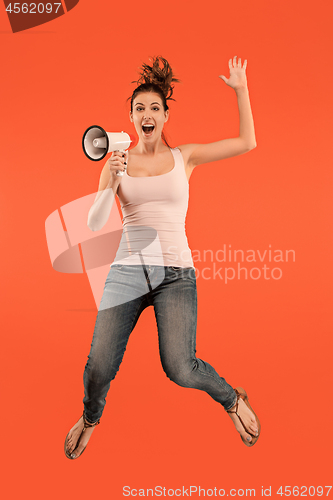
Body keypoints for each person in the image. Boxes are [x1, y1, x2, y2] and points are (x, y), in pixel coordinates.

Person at [64, 55, 260, 459]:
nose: (147, 114)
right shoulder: (116, 162)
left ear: (165, 115)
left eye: (155, 107)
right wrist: (113, 178)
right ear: (131, 119)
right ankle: (90, 417)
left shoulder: (183, 158)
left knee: (179, 367)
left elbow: (247, 143)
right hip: (127, 273)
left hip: (175, 275)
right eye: (140, 108)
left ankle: (231, 398)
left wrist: (241, 91)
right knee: (98, 366)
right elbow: (95, 221)